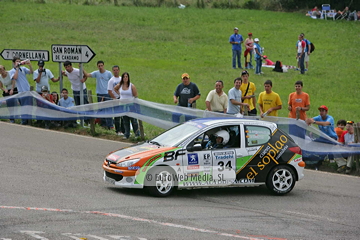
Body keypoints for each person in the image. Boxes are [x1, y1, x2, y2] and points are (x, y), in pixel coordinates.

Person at [83, 60, 113, 129]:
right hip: (99, 93)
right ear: (97, 66)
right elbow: (87, 75)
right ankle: (103, 124)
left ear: (104, 65)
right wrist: (82, 68)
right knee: (101, 109)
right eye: (99, 66)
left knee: (108, 109)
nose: (100, 67)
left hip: (107, 94)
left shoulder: (108, 73)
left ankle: (110, 125)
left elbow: (112, 82)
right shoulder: (96, 73)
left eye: (101, 66)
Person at [114, 72, 140, 139]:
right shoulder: (120, 85)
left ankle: (137, 133)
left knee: (133, 120)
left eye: (126, 77)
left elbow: (135, 95)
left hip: (130, 105)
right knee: (125, 120)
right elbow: (115, 88)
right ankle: (127, 134)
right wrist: (120, 94)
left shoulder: (131, 86)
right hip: (123, 105)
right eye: (124, 77)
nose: (125, 78)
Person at [8, 57, 33, 125]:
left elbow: (31, 72)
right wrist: (17, 68)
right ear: (14, 63)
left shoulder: (23, 69)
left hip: (27, 90)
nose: (18, 62)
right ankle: (24, 121)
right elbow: (15, 77)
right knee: (23, 107)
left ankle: (29, 121)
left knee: (29, 106)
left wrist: (29, 65)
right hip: (21, 92)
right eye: (17, 61)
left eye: (19, 61)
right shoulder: (11, 71)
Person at [107, 65, 125, 136]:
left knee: (123, 115)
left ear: (119, 70)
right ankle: (118, 130)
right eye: (114, 70)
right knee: (117, 115)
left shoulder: (121, 79)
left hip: (122, 98)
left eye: (117, 70)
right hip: (116, 99)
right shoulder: (111, 80)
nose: (116, 71)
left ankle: (123, 130)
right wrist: (115, 98)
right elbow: (109, 91)